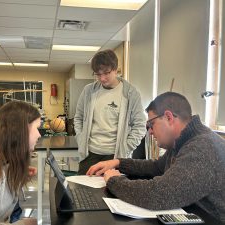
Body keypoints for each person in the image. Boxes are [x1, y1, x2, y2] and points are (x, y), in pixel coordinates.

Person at [87, 92, 225, 222]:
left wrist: (114, 181)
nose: (150, 132)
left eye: (151, 125)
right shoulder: (182, 142)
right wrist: (118, 163)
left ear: (169, 117)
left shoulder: (202, 147)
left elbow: (160, 195)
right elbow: (157, 167)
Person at [74, 49, 146, 175]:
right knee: (81, 191)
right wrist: (81, 139)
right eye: (98, 74)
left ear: (115, 69)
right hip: (89, 155)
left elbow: (140, 126)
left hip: (115, 157)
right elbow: (78, 118)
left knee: (110, 192)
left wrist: (125, 147)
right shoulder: (88, 91)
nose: (102, 78)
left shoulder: (130, 93)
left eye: (106, 73)